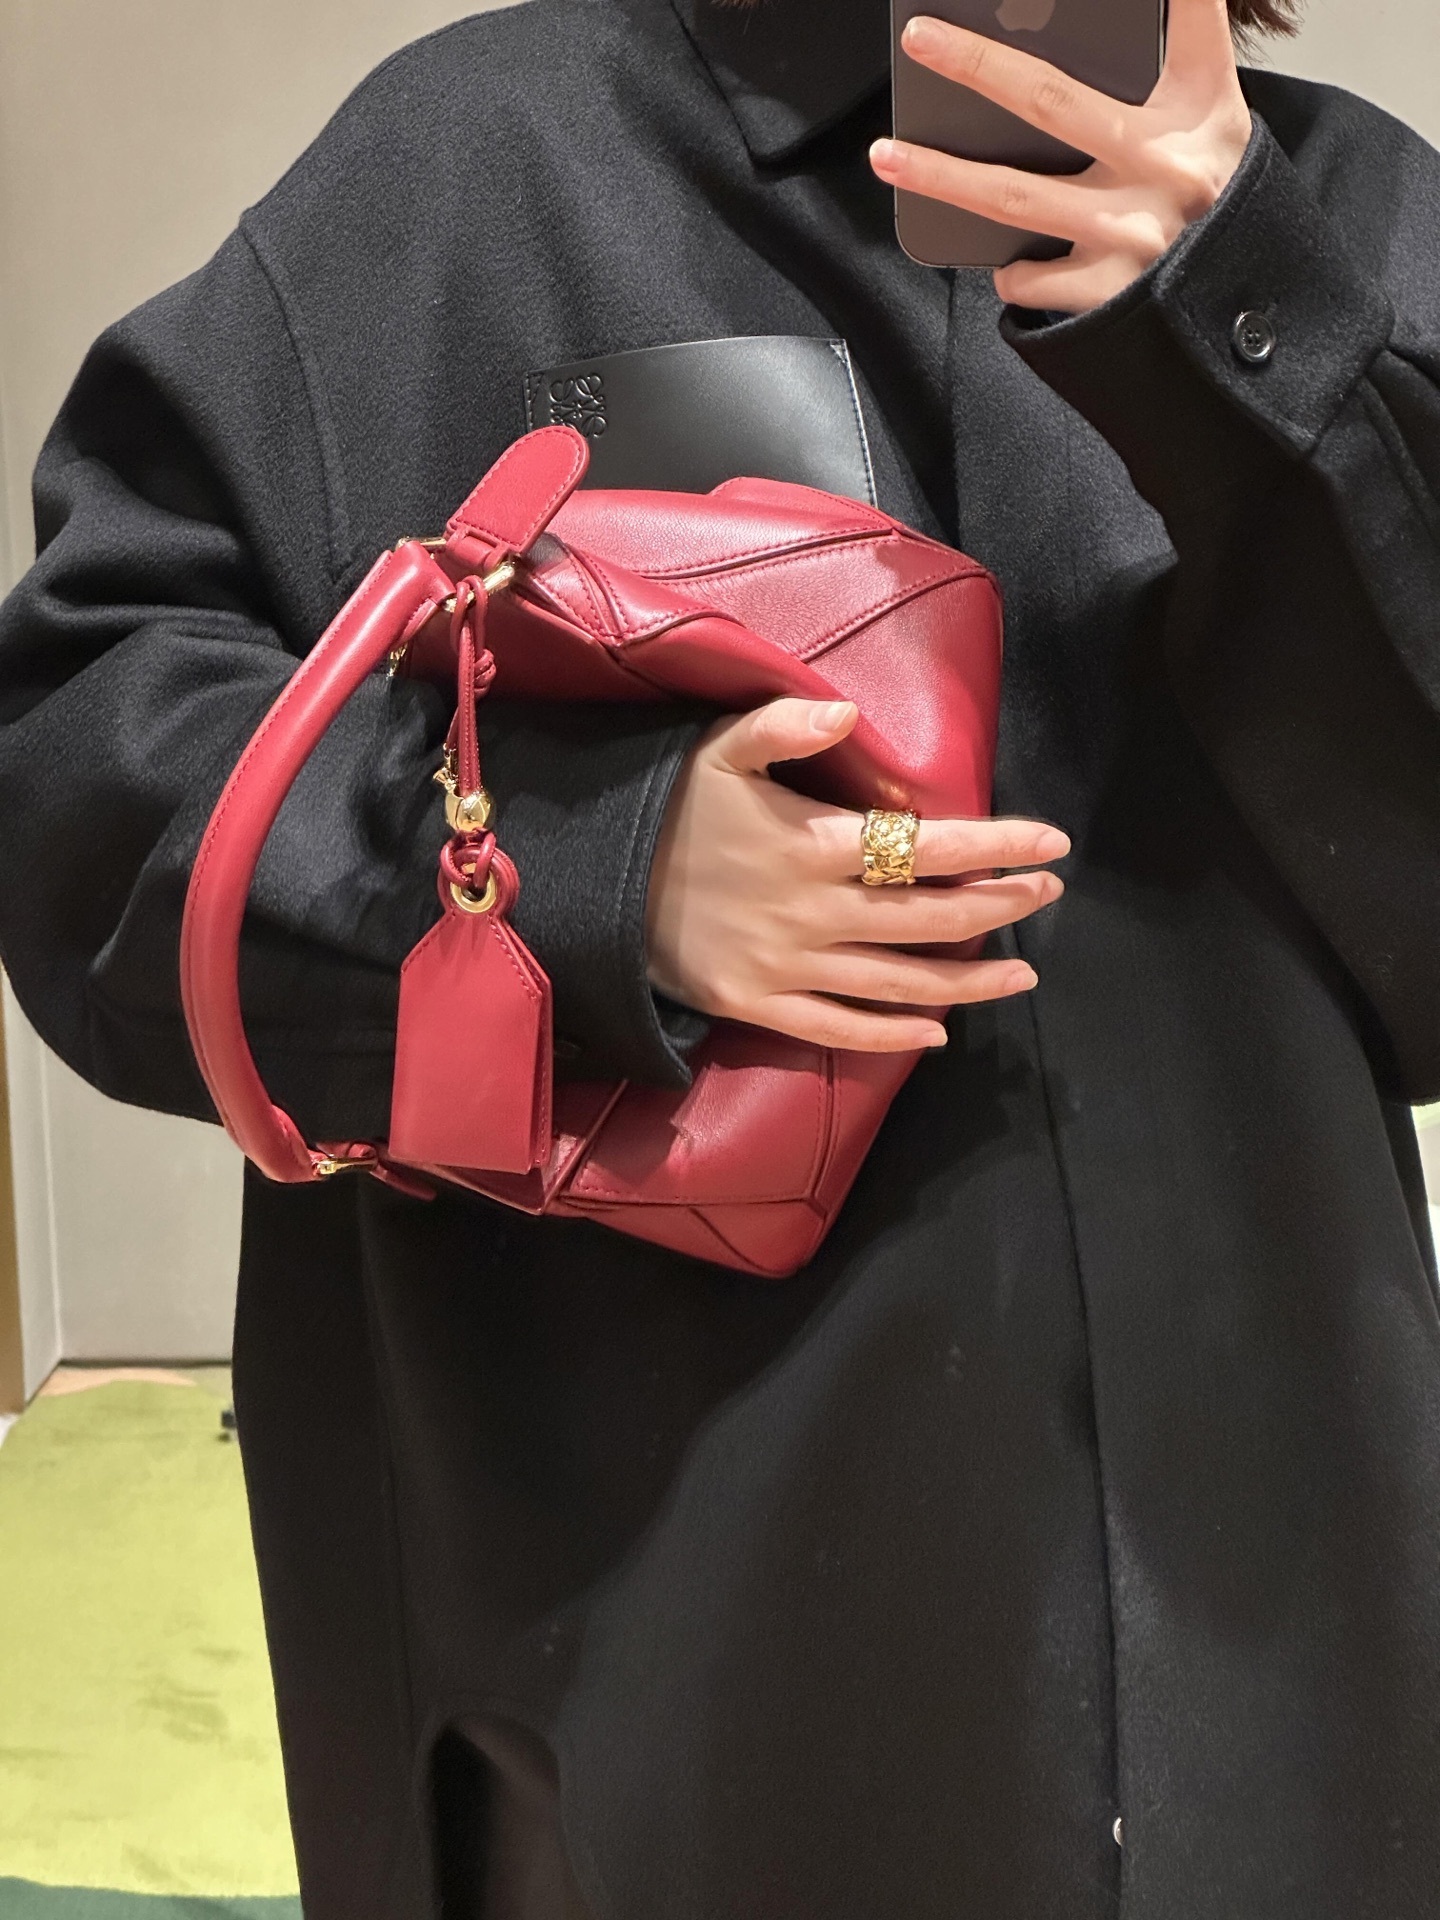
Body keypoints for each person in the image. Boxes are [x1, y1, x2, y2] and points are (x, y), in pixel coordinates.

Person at [1, 0, 1438, 1912]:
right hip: (645, 1680)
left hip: (1283, 1652)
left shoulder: (1355, 220)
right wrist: (583, 869)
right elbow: (79, 785)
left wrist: (1252, 310)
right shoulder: (478, 166)